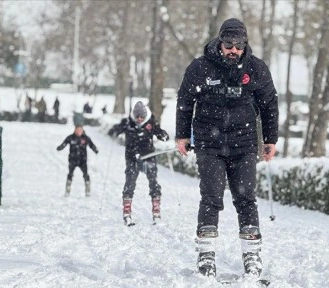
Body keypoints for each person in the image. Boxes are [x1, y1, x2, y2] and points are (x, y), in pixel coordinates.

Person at [175, 18, 278, 278]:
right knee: (211, 196)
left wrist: (270, 139)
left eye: (238, 45)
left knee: (245, 199)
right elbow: (185, 100)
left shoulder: (255, 69)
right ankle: (206, 255)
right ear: (220, 42)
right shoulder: (201, 68)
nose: (233, 50)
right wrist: (181, 136)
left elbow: (269, 105)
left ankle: (252, 255)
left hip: (243, 145)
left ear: (245, 44)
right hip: (209, 144)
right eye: (228, 44)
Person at [108, 101, 170, 226]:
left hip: (148, 157)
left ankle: (156, 212)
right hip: (132, 158)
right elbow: (114, 131)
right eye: (137, 117)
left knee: (154, 182)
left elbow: (159, 132)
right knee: (130, 183)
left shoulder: (151, 123)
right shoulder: (128, 123)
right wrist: (114, 131)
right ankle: (127, 212)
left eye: (142, 117)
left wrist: (163, 135)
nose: (139, 119)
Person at [57, 125, 99, 197]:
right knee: (70, 174)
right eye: (77, 130)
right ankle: (67, 190)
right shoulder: (70, 137)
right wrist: (60, 147)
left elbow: (91, 145)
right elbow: (64, 143)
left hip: (82, 160)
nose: (79, 131)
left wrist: (95, 150)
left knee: (86, 174)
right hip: (72, 159)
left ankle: (87, 190)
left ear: (82, 130)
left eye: (80, 130)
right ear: (75, 130)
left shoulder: (85, 138)